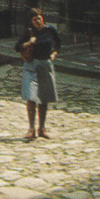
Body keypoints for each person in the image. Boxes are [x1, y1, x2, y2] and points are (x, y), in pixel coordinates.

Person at [14, 8, 61, 141]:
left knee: (44, 97)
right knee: (31, 97)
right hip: (31, 66)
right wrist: (29, 42)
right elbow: (17, 47)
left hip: (45, 65)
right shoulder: (29, 32)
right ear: (31, 21)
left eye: (39, 18)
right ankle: (31, 128)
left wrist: (54, 54)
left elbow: (58, 42)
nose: (38, 21)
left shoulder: (50, 30)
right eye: (35, 20)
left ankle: (42, 128)